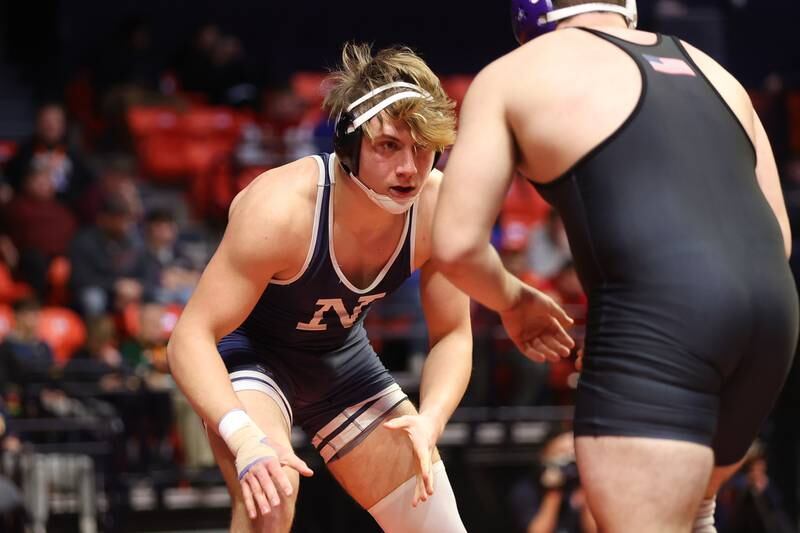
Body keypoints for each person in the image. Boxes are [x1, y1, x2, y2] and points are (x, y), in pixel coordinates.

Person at [168, 42, 570, 533]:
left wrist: (430, 421)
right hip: (254, 358)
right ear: (348, 145)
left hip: (340, 363)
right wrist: (242, 436)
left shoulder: (437, 206)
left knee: (436, 522)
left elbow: (452, 334)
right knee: (272, 496)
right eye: (389, 146)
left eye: (423, 149)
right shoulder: (281, 208)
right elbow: (189, 337)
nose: (409, 168)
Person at [431, 1, 798, 532]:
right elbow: (778, 238)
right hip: (770, 324)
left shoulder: (514, 75)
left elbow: (457, 245)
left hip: (662, 322)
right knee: (696, 514)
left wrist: (514, 301)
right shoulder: (718, 74)